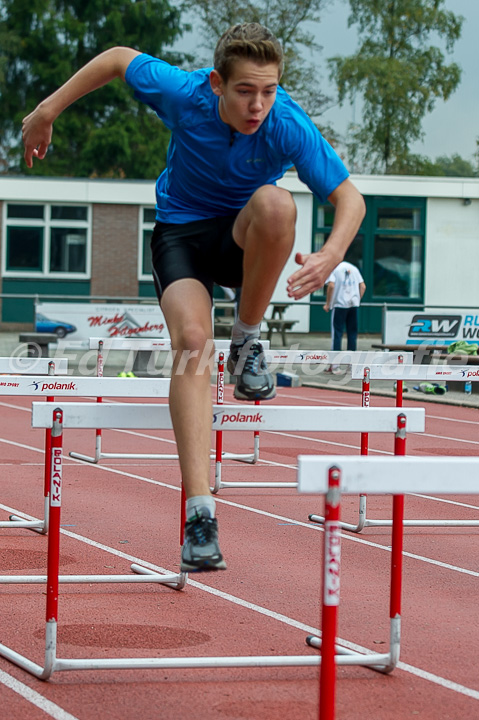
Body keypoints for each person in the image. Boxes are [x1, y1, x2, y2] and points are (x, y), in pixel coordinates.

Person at [22, 23, 366, 572]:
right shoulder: (183, 93)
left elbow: (350, 198)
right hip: (180, 235)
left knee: (278, 205)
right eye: (245, 91)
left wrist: (329, 253)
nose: (258, 106)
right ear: (215, 84)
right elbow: (115, 57)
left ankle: (248, 340)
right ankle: (200, 515)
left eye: (269, 91)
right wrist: (46, 110)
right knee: (190, 343)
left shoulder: (287, 124)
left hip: (240, 241)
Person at [323, 260, 366, 373]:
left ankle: (335, 365)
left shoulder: (334, 268)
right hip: (353, 305)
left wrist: (328, 303)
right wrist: (357, 299)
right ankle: (350, 364)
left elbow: (331, 285)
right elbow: (363, 286)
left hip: (339, 305)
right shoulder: (354, 268)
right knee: (352, 334)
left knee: (337, 334)